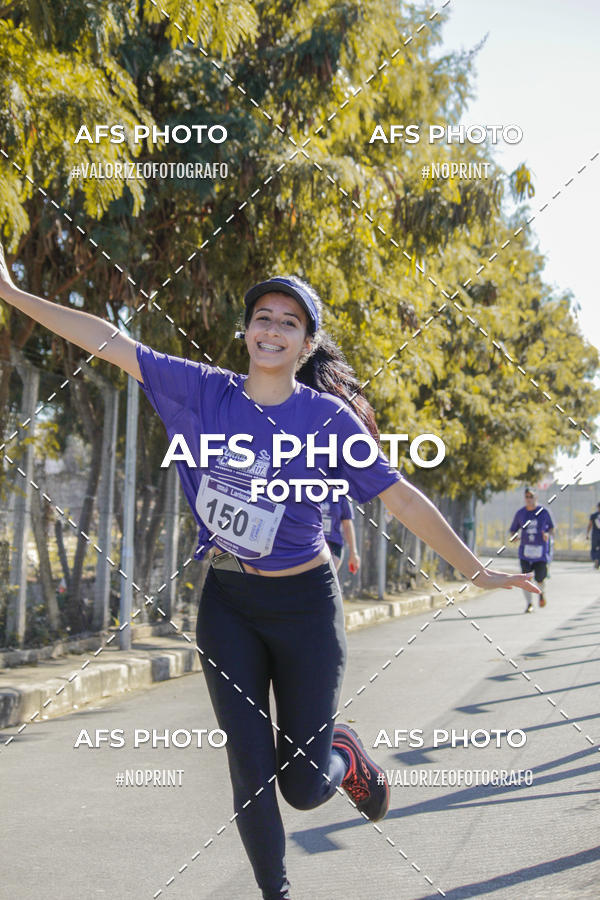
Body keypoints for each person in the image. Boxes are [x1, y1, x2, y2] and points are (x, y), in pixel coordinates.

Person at [0, 247, 539, 900]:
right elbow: (111, 341)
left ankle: (343, 756)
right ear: (247, 330)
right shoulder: (202, 391)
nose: (273, 329)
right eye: (264, 316)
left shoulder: (325, 420)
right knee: (250, 770)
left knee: (304, 787)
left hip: (307, 609)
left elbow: (399, 496)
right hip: (227, 603)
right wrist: (12, 293)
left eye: (289, 322)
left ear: (306, 342)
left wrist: (476, 571)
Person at [510, 487, 554, 613]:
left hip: (540, 553)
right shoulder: (520, 513)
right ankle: (529, 604)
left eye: (531, 496)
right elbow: (513, 529)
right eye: (527, 497)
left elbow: (551, 528)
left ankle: (541, 593)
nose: (529, 499)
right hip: (525, 552)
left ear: (536, 497)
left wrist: (547, 534)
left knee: (540, 579)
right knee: (525, 579)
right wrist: (514, 537)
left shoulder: (544, 512)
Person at [321, 494, 360, 574]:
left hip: (333, 545)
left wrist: (353, 553)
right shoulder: (308, 487)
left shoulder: (341, 494)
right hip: (312, 545)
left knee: (327, 575)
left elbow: (347, 525)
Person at [586, 502, 600, 569]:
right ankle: (598, 560)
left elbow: (590, 525)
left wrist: (587, 534)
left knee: (593, 549)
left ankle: (595, 559)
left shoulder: (593, 515)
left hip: (595, 535)